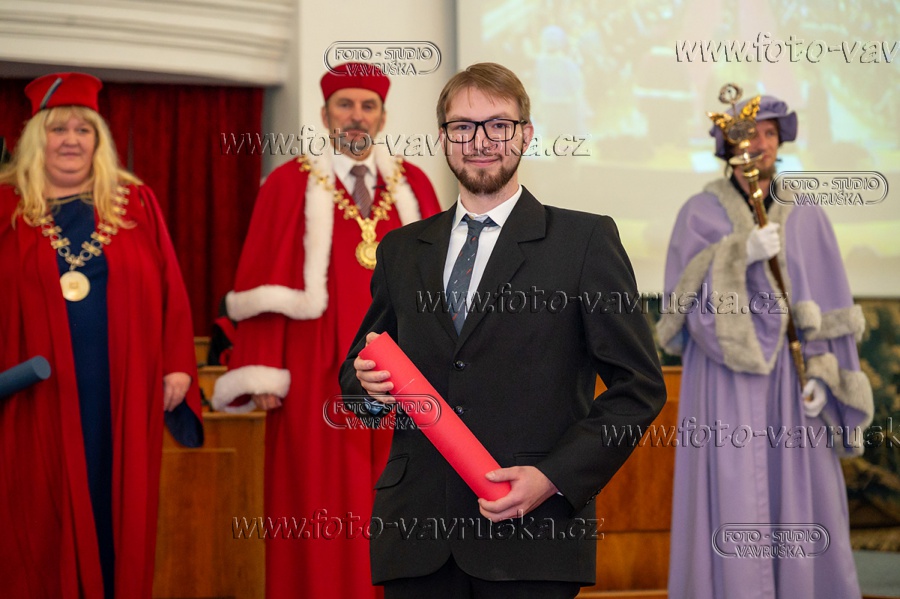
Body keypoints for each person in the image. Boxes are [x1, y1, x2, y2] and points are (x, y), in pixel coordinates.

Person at [340, 62, 666, 598]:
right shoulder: (402, 249)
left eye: (499, 124)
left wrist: (553, 478)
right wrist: (369, 389)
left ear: (526, 135)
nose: (481, 141)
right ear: (443, 138)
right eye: (463, 126)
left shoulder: (584, 241)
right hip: (416, 536)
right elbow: (358, 374)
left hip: (532, 535)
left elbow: (640, 388)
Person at [211, 63, 441, 598]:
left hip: (401, 372)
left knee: (400, 494)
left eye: (367, 105)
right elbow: (262, 281)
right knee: (316, 499)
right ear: (324, 114)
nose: (356, 115)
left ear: (382, 117)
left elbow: (443, 285)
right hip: (313, 369)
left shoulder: (415, 184)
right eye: (345, 104)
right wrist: (262, 369)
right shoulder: (287, 183)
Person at [657, 95, 874, 598]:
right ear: (727, 144)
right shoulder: (698, 215)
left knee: (802, 499)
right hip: (723, 384)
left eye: (770, 133)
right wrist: (738, 253)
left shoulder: (808, 214)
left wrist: (825, 377)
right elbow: (683, 308)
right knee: (732, 494)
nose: (760, 143)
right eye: (749, 133)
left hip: (795, 388)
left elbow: (832, 307)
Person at [0, 72, 203, 599]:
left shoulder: (135, 203)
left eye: (83, 129)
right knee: (36, 515)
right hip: (34, 398)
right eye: (58, 128)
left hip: (122, 392)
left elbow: (171, 288)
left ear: (99, 139)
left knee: (118, 509)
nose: (71, 140)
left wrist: (177, 366)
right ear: (36, 138)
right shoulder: (6, 207)